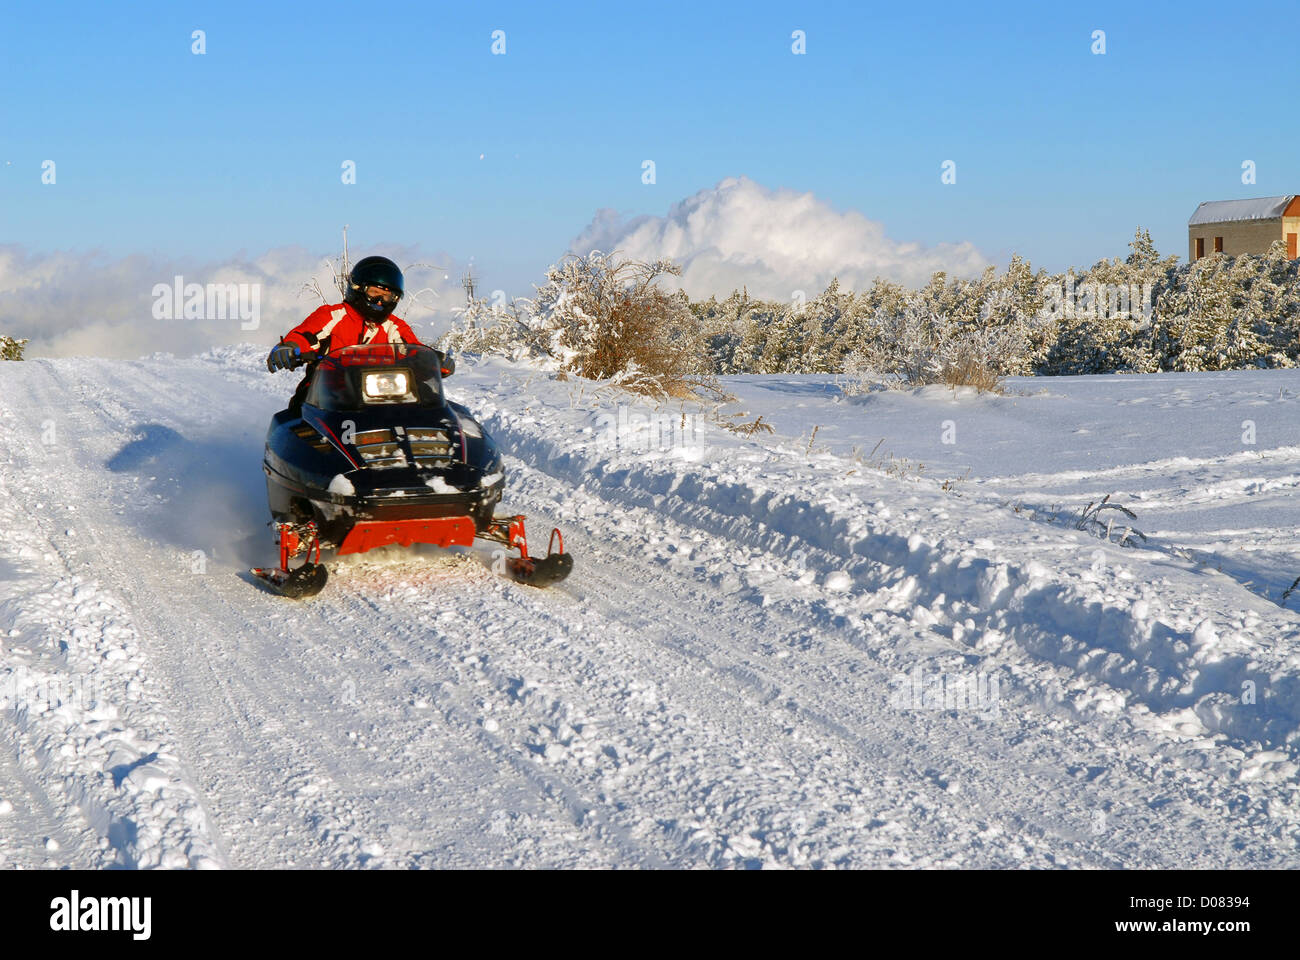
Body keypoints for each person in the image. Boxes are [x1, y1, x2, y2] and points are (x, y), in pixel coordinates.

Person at [267, 255, 425, 414]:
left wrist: (435, 361)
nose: (379, 301)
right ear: (357, 288)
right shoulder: (333, 315)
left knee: (421, 402)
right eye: (374, 292)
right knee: (299, 415)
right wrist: (290, 347)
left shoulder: (394, 327)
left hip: (379, 397)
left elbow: (414, 349)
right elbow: (305, 335)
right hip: (327, 394)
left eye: (387, 296)